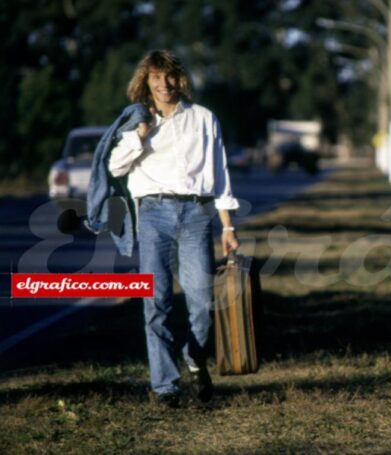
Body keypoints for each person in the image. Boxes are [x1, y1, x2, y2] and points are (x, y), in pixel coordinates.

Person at [107, 49, 240, 408]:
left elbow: (220, 174)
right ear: (145, 81)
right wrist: (139, 135)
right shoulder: (136, 120)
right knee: (157, 302)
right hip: (153, 214)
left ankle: (194, 357)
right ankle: (165, 386)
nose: (163, 84)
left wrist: (228, 226)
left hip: (196, 214)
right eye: (155, 78)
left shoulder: (203, 118)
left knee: (202, 301)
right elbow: (115, 167)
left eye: (168, 77)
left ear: (179, 79)